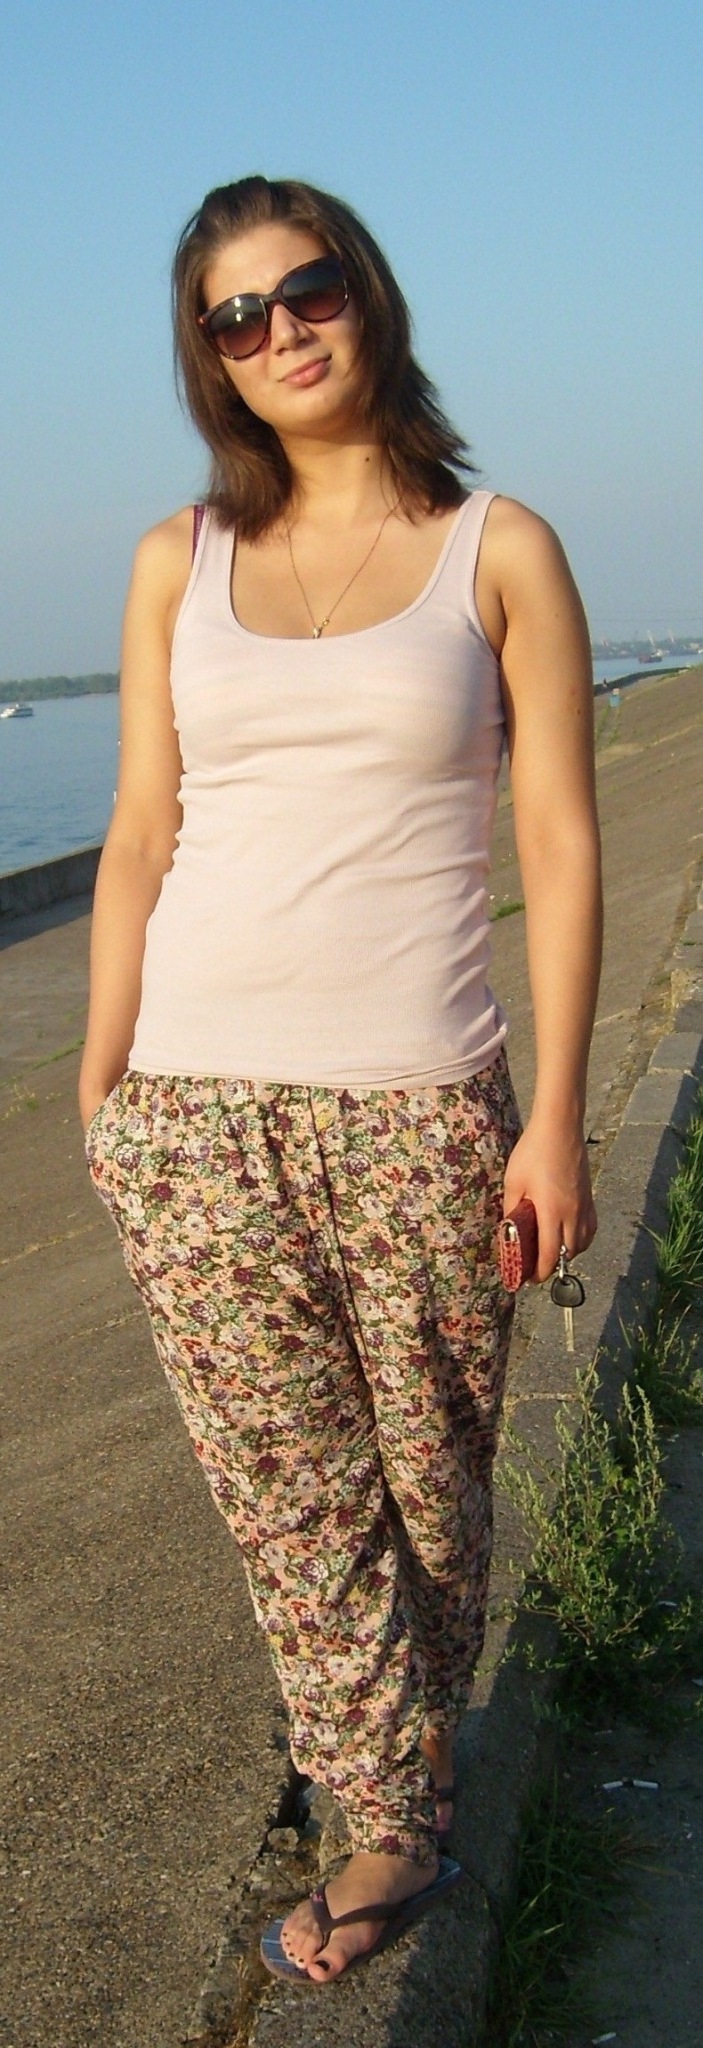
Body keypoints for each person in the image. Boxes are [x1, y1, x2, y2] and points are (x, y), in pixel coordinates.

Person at [79, 174, 601, 1987]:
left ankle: (408, 1755)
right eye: (235, 316)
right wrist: (103, 1090)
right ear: (210, 360)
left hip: (419, 1108)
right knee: (290, 1495)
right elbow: (140, 833)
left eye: (304, 290)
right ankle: (390, 1822)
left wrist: (553, 1119)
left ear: (363, 293)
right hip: (195, 1111)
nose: (279, 331)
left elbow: (559, 837)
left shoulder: (499, 549)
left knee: (433, 1493)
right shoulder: (178, 561)